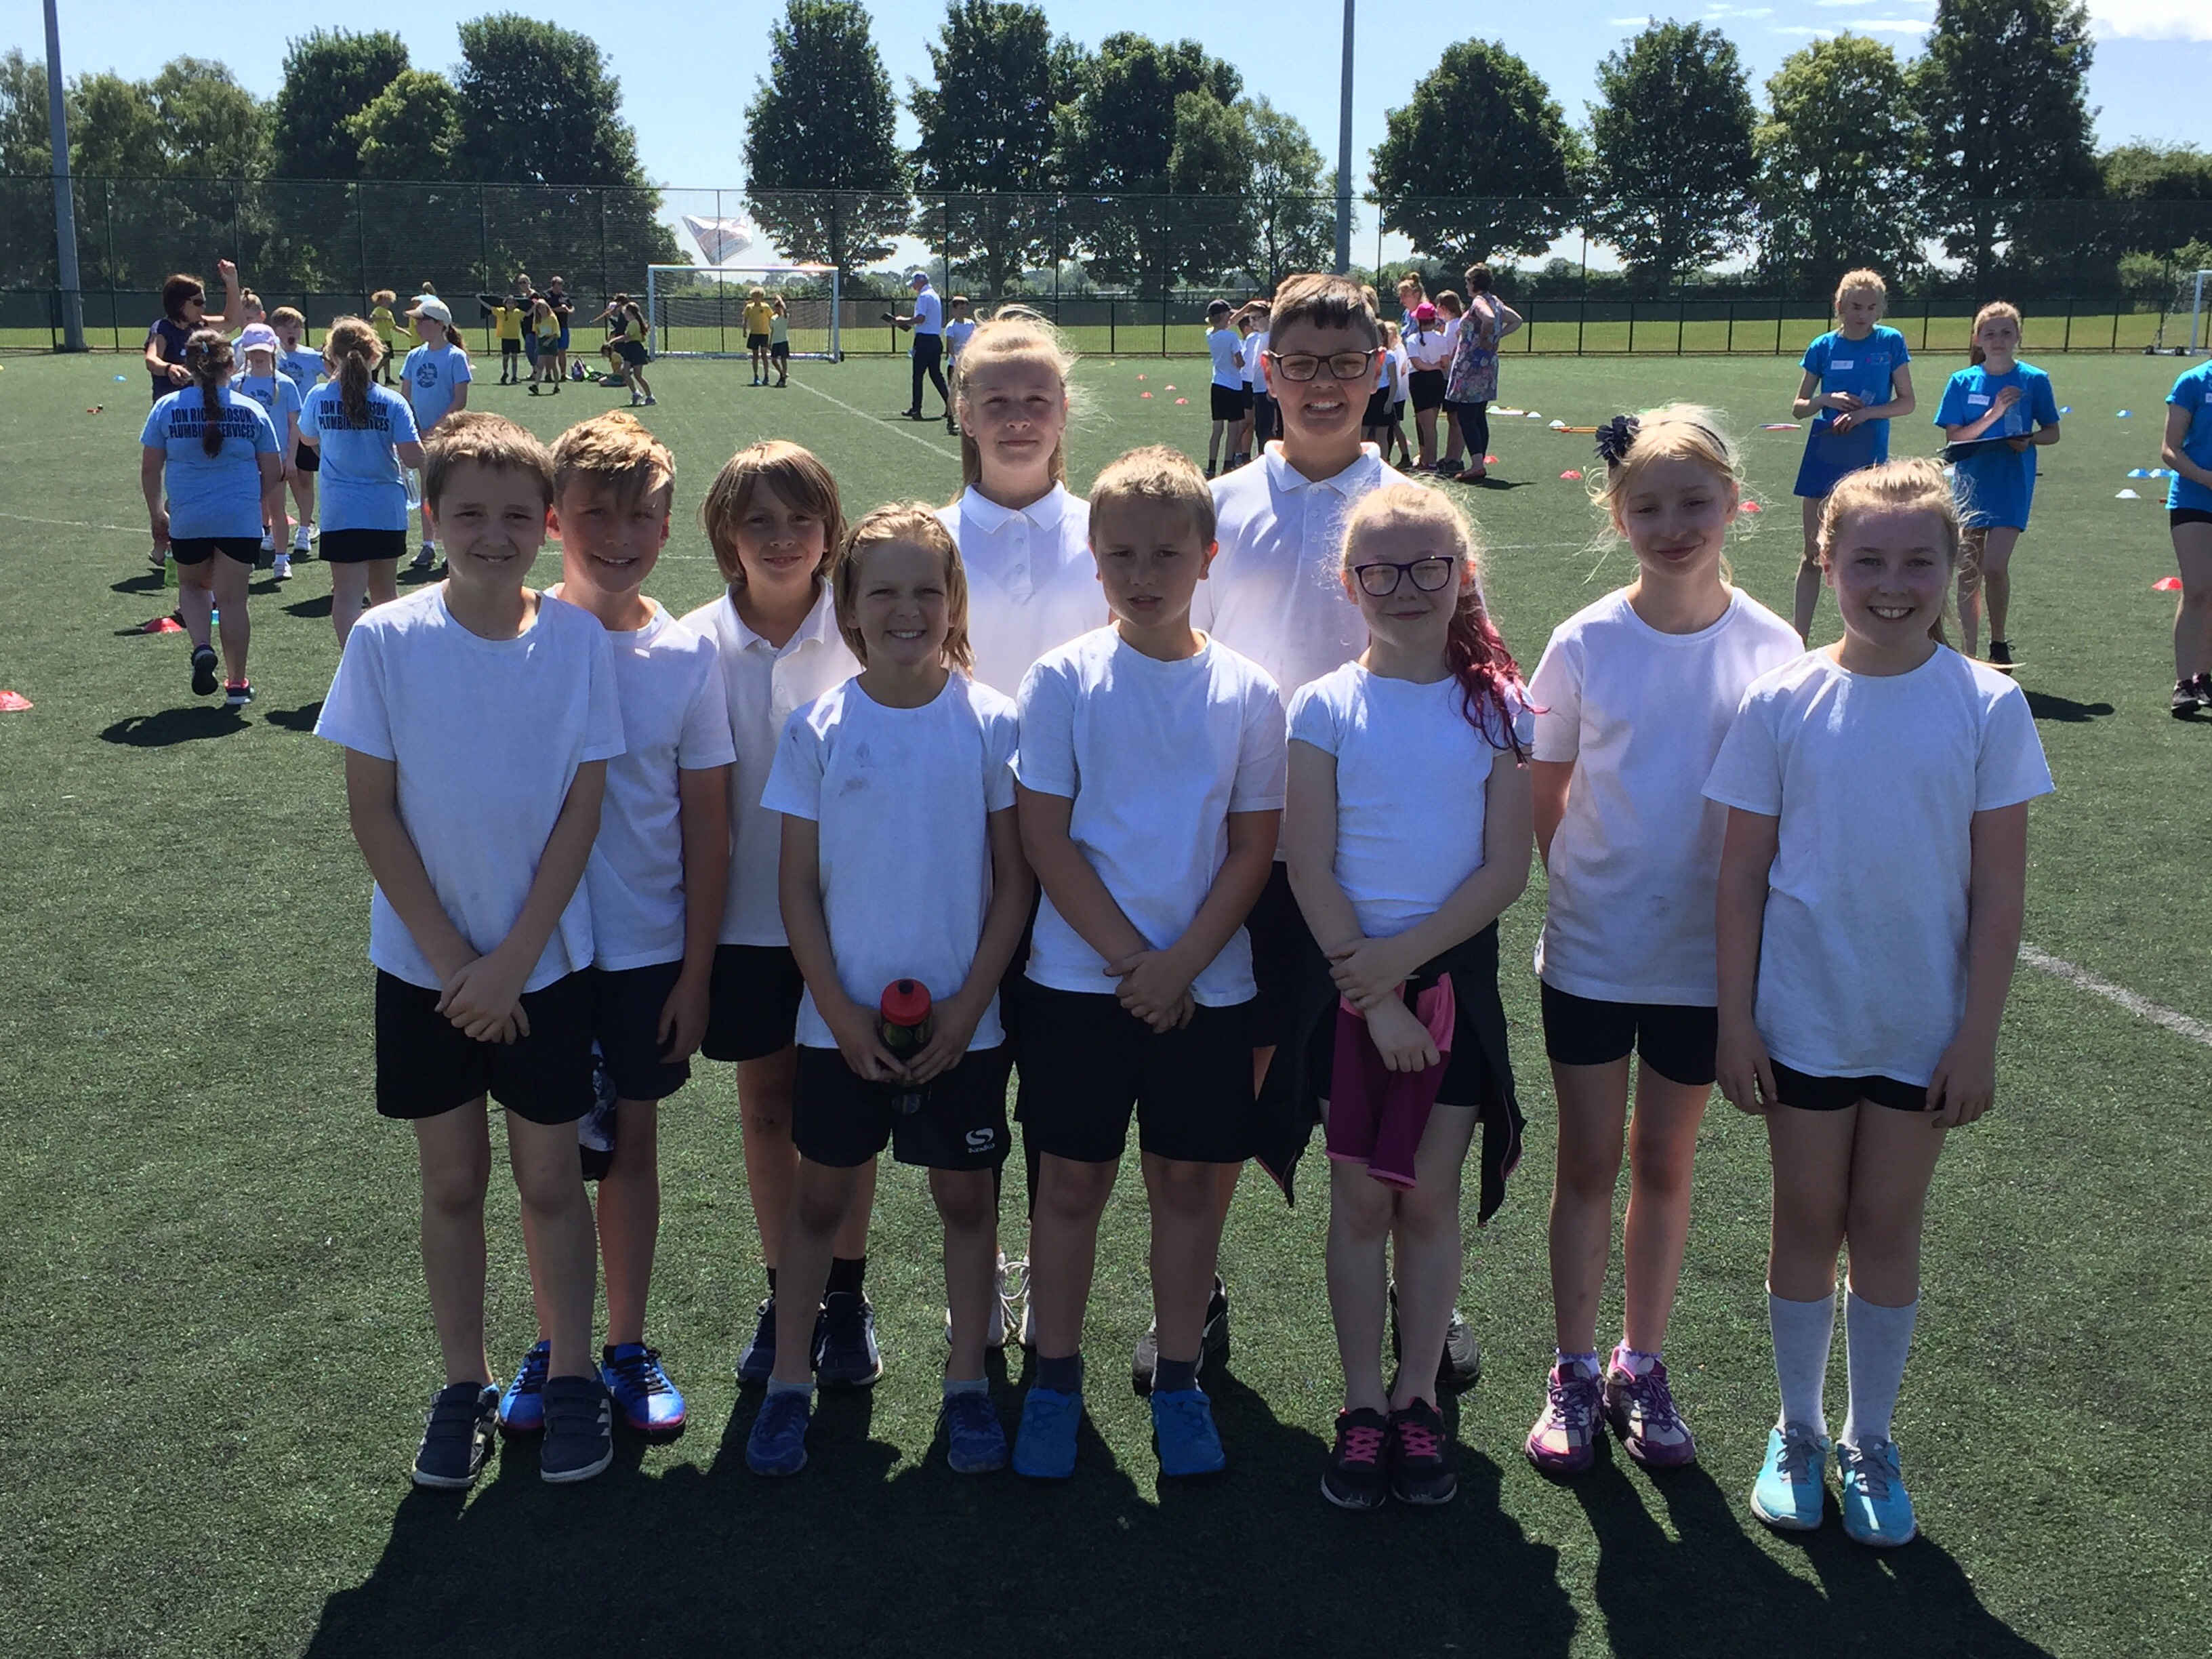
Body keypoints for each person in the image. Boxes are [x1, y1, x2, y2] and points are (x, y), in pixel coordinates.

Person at [1709, 457, 2053, 1548]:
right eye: (1868, 561)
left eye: (1917, 562)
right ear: (1827, 561)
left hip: (1922, 1029)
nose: (1892, 585)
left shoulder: (1988, 704)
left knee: (1888, 1227)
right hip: (1803, 1018)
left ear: (1957, 568)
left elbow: (2000, 891)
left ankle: (1869, 1438)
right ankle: (1799, 1430)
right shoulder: (1784, 699)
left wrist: (1978, 1035)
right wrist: (1736, 1019)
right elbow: (1740, 877)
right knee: (1807, 1221)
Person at [314, 411, 627, 1490]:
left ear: (547, 524)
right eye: (470, 514)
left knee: (552, 1181)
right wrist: (459, 966)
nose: (494, 535)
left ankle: (573, 1374)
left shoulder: (578, 643)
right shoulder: (385, 640)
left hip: (547, 970)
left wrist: (511, 963)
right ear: (432, 517)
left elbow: (582, 812)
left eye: (515, 515)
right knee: (452, 1183)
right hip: (426, 975)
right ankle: (464, 1384)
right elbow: (372, 813)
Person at [1205, 274, 1481, 1394]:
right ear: (1264, 372)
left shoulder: (1413, 509)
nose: (1323, 384)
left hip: (1393, 869)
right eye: (1301, 364)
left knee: (1403, 1091)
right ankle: (1195, 1282)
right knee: (1238, 1077)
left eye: (1346, 363)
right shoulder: (1215, 507)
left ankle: (1424, 1301)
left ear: (1382, 369)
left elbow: (1469, 660)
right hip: (1248, 855)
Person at [1519, 408, 1804, 1479]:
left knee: (1665, 1160)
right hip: (1593, 953)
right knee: (1588, 1159)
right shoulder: (1585, 641)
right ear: (1617, 515)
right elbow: (1547, 782)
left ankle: (1642, 1361)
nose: (1674, 526)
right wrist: (1585, 883)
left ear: (1735, 504)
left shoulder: (1772, 647)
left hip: (1704, 962)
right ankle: (1574, 1366)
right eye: (1649, 507)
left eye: (1696, 503)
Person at [1010, 445, 1287, 1482]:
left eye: (1167, 553)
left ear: (1208, 557)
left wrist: (1182, 967)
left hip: (1207, 992)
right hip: (1077, 987)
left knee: (1186, 1187)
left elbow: (1253, 848)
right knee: (1070, 1185)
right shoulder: (1061, 680)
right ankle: (1054, 1379)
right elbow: (1046, 837)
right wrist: (1138, 963)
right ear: (1094, 559)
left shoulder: (1250, 692)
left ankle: (1179, 1380)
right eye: (1121, 554)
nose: (1143, 573)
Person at [744, 506, 1032, 1479]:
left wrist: (969, 1008)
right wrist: (835, 1010)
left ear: (953, 603)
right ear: (850, 611)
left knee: (967, 1201)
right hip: (840, 1026)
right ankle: (790, 1385)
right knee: (819, 1203)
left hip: (965, 1026)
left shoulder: (993, 722)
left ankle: (967, 1382)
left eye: (925, 591)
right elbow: (795, 885)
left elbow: (1015, 881)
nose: (906, 610)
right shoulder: (819, 728)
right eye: (884, 593)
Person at [1286, 483, 1533, 1510]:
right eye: (1380, 571)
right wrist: (1371, 991)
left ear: (1463, 574)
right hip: (1349, 993)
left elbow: (1505, 868)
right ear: (1349, 585)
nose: (1405, 586)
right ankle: (1361, 1403)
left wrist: (1402, 969)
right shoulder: (1322, 706)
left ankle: (1417, 1393)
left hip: (1447, 992)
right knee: (1358, 1202)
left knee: (1427, 1199)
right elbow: (1307, 862)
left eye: (1430, 565)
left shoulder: (1499, 707)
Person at [490, 412, 733, 1445]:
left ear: (668, 527)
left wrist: (696, 974)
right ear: (556, 520)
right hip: (539, 956)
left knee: (633, 1146)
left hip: (642, 952)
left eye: (642, 517)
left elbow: (708, 828)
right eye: (597, 514)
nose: (620, 537)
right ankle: (560, 1346)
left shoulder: (685, 656)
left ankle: (625, 1345)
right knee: (544, 1163)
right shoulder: (514, 639)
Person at [680, 443, 878, 1391]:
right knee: (767, 1112)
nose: (782, 537)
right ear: (726, 534)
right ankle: (781, 1291)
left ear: (831, 533)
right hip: (745, 923)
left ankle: (844, 1296)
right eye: (758, 520)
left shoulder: (865, 629)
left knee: (841, 1115)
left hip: (853, 920)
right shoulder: (692, 642)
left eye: (802, 519)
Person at [140, 329, 283, 708]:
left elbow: (150, 469)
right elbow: (274, 470)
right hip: (239, 520)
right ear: (231, 366)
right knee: (233, 601)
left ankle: (202, 648)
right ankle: (237, 685)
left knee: (192, 587)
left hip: (189, 518)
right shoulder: (252, 410)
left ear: (188, 365)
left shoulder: (167, 408)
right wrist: (251, 501)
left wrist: (157, 513)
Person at [1789, 270, 1916, 640]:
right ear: (1840, 306)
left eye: (1872, 308)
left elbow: (1907, 402)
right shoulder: (1823, 346)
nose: (1864, 315)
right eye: (1856, 307)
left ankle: (1863, 638)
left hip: (1867, 458)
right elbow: (1798, 408)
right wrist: (1825, 400)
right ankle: (1798, 641)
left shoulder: (1890, 342)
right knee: (1813, 554)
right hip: (1824, 453)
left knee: (1866, 556)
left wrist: (1865, 415)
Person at [1933, 302, 2060, 666]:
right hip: (1972, 483)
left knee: (1994, 565)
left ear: (2018, 335)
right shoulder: (1962, 381)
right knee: (1968, 568)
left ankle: (1999, 641)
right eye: (1990, 333)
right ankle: (1969, 653)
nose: (1998, 340)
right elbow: (1956, 437)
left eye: (2006, 332)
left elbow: (2052, 432)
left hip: (2011, 482)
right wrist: (1994, 415)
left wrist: (2029, 440)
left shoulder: (2034, 380)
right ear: (1977, 338)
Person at [298, 318, 426, 647]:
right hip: (385, 511)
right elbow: (414, 457)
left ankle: (353, 665)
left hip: (341, 512)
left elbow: (307, 437)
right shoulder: (392, 401)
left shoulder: (318, 396)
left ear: (332, 356)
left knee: (346, 597)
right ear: (375, 356)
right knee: (385, 597)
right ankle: (386, 664)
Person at [142, 262, 245, 569]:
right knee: (180, 476)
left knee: (191, 478)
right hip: (174, 416)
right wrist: (168, 368)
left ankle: (166, 542)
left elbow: (233, 321)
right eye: (198, 302)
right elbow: (151, 358)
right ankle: (165, 538)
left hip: (204, 410)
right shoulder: (164, 329)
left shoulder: (200, 327)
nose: (203, 308)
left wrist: (232, 282)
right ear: (180, 303)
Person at [401, 296, 474, 573]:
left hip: (448, 436)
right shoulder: (414, 356)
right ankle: (427, 546)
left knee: (448, 493)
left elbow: (460, 400)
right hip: (421, 436)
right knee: (426, 492)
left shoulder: (455, 356)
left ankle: (450, 549)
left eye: (422, 321)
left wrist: (434, 429)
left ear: (439, 324)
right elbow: (405, 398)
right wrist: (411, 429)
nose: (417, 326)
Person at [2160, 355, 2212, 716]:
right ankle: (2184, 683)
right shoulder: (2193, 381)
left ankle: (2205, 677)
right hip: (2194, 496)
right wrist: (2206, 478)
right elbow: (2170, 449)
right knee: (2197, 588)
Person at [233, 323, 305, 579]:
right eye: (253, 351)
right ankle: (246, 557)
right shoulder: (235, 384)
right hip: (244, 460)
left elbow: (294, 425)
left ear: (273, 349)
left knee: (277, 509)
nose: (258, 355)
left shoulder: (285, 385)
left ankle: (282, 559)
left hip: (275, 458)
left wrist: (291, 459)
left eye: (263, 350)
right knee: (248, 510)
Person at [1440, 265, 1523, 483]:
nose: (1466, 285)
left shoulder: (1479, 302)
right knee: (1478, 415)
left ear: (1474, 282)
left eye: (1468, 281)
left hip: (1471, 365)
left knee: (1466, 415)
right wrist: (1497, 336)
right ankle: (1479, 462)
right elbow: (1517, 321)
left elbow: (1488, 318)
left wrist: (1485, 337)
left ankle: (1477, 465)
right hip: (1487, 364)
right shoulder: (1496, 301)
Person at [270, 306, 324, 561]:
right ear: (276, 330)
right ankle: (271, 529)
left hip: (305, 426)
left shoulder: (311, 357)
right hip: (278, 427)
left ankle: (305, 527)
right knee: (278, 478)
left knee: (304, 477)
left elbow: (336, 373)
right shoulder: (271, 356)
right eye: (287, 327)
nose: (293, 332)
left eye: (297, 327)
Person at [1401, 302, 1454, 472]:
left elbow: (1417, 363)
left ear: (1418, 321)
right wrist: (1436, 367)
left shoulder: (1412, 339)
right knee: (1430, 424)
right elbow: (1445, 362)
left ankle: (1430, 463)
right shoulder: (1441, 338)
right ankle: (1428, 460)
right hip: (1436, 380)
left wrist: (1430, 367)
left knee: (1427, 426)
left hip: (1420, 381)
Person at [891, 271, 949, 422]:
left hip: (924, 341)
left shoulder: (924, 296)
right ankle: (950, 406)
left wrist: (904, 321)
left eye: (915, 284)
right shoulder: (934, 295)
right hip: (935, 340)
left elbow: (921, 318)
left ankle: (916, 409)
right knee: (936, 375)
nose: (914, 287)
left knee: (918, 376)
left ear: (921, 281)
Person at [1204, 299, 1248, 478]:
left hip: (1217, 384)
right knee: (1234, 428)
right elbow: (1240, 362)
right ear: (1223, 316)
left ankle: (1211, 466)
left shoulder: (1210, 334)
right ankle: (1227, 464)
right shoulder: (1231, 337)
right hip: (1233, 385)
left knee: (1217, 429)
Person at [476, 289, 527, 384]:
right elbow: (489, 307)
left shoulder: (518, 312)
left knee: (515, 358)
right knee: (506, 358)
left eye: (512, 303)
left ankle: (514, 376)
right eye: (508, 303)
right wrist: (480, 299)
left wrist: (535, 305)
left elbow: (528, 314)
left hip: (515, 339)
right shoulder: (501, 312)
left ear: (515, 304)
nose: (510, 305)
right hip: (506, 339)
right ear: (505, 304)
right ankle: (505, 373)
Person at [615, 300, 657, 409]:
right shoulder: (632, 323)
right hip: (630, 348)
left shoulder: (634, 323)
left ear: (630, 313)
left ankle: (650, 397)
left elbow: (627, 337)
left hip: (635, 349)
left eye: (625, 312)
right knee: (625, 372)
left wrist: (613, 341)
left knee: (638, 375)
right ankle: (636, 393)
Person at [529, 298, 562, 393]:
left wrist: (549, 341)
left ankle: (557, 386)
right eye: (540, 308)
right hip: (542, 341)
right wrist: (537, 345)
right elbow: (537, 333)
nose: (542, 310)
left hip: (552, 341)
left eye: (544, 308)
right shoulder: (537, 320)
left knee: (552, 365)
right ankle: (536, 386)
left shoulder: (552, 318)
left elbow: (556, 333)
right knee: (540, 365)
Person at [546, 276, 576, 382]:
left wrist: (568, 310)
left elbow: (572, 307)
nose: (560, 287)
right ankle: (548, 374)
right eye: (558, 285)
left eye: (561, 285)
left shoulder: (565, 296)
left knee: (562, 351)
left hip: (563, 327)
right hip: (550, 327)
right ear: (553, 285)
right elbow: (543, 309)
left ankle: (563, 374)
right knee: (550, 352)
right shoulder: (546, 296)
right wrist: (557, 310)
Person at [744, 286, 775, 388]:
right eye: (755, 296)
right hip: (754, 334)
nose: (756, 298)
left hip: (764, 334)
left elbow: (772, 317)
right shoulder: (749, 307)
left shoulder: (766, 307)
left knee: (764, 355)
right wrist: (744, 330)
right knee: (755, 355)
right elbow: (745, 318)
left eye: (758, 296)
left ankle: (766, 376)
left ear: (762, 297)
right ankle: (756, 376)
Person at [368, 290, 399, 386]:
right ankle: (375, 371)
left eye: (389, 299)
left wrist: (406, 333)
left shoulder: (389, 313)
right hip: (380, 337)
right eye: (386, 299)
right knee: (387, 356)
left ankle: (387, 378)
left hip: (388, 337)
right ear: (380, 300)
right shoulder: (378, 310)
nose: (388, 301)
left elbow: (394, 326)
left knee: (388, 359)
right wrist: (383, 318)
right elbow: (371, 318)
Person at [767, 295, 792, 389]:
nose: (778, 310)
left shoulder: (785, 317)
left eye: (779, 308)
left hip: (783, 341)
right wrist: (770, 342)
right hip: (776, 342)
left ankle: (783, 378)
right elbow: (772, 330)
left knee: (783, 359)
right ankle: (782, 373)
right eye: (776, 308)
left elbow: (785, 310)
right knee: (774, 360)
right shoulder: (773, 318)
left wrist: (780, 300)